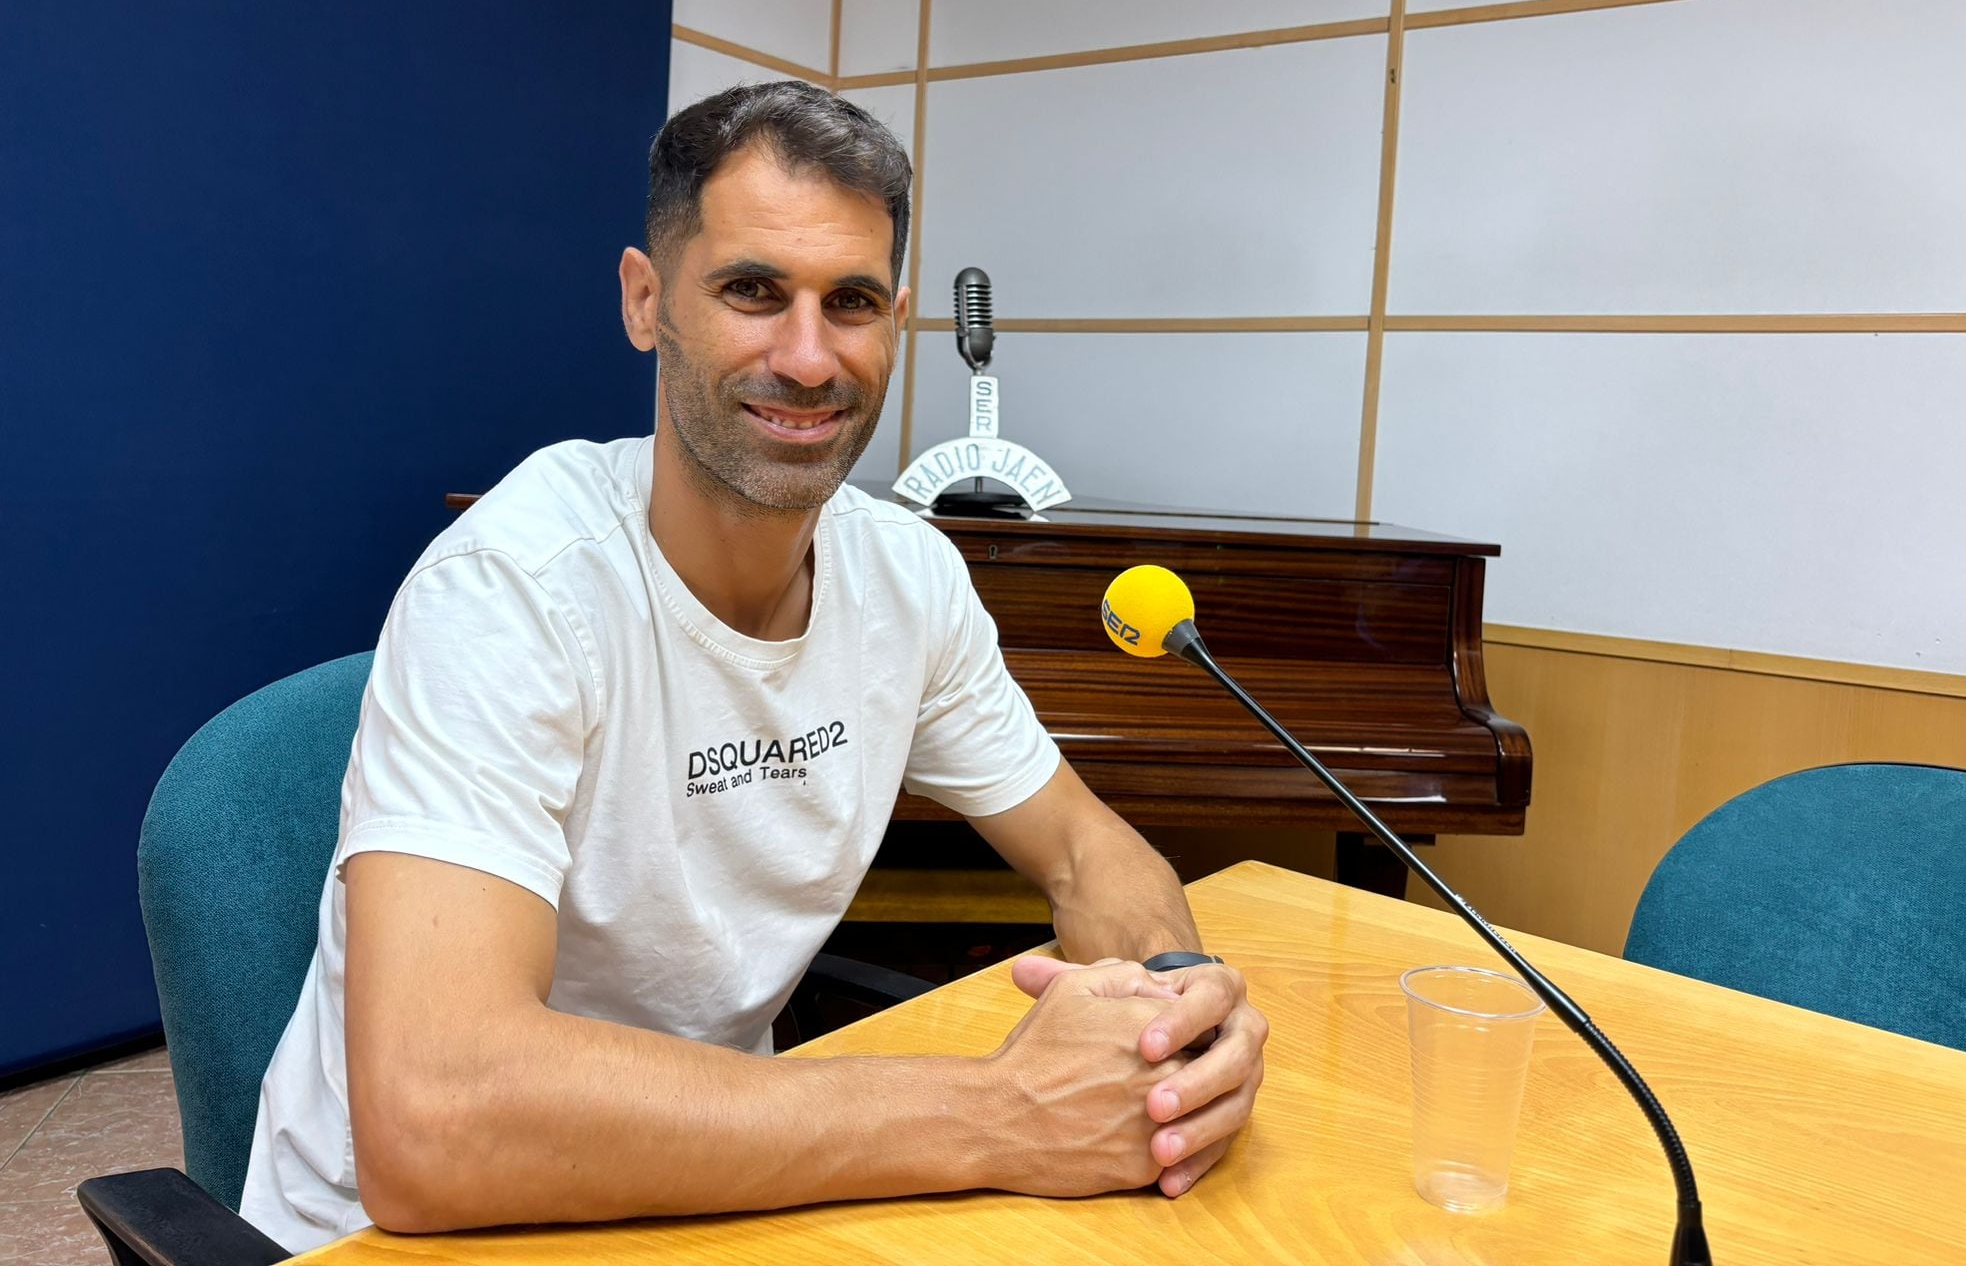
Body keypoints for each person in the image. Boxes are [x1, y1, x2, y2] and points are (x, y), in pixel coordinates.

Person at [239, 81, 1267, 1250]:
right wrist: (995, 1111)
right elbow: (435, 1122)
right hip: (389, 1236)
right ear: (645, 300)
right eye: (751, 291)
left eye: (853, 303)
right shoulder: (513, 589)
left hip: (709, 1191)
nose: (808, 355)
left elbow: (1087, 853)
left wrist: (1176, 1024)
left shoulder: (909, 580)